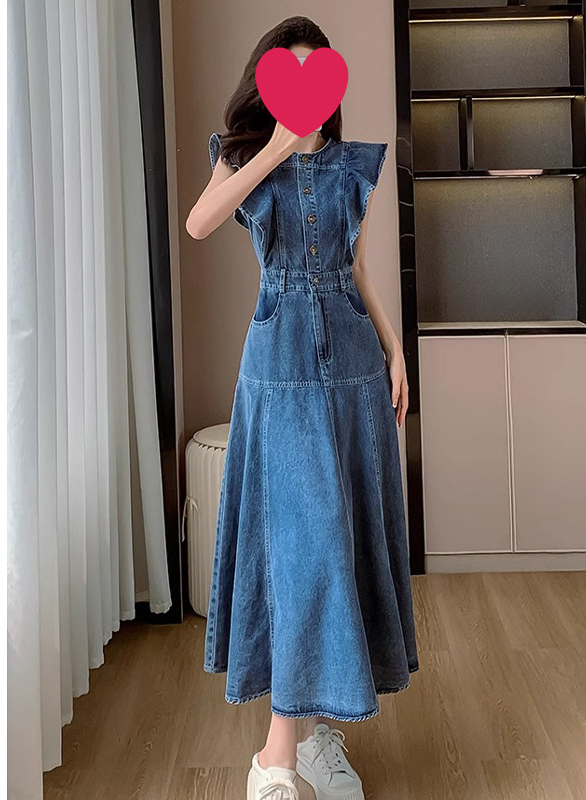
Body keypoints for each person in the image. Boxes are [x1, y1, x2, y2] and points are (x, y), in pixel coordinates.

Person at [186, 16, 419, 800]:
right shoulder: (242, 156)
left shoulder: (353, 166)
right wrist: (278, 148)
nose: (303, 88)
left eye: (314, 73)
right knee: (303, 551)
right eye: (289, 71)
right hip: (278, 371)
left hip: (353, 370)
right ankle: (275, 757)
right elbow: (199, 222)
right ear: (268, 81)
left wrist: (393, 348)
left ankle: (311, 742)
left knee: (337, 546)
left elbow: (356, 267)